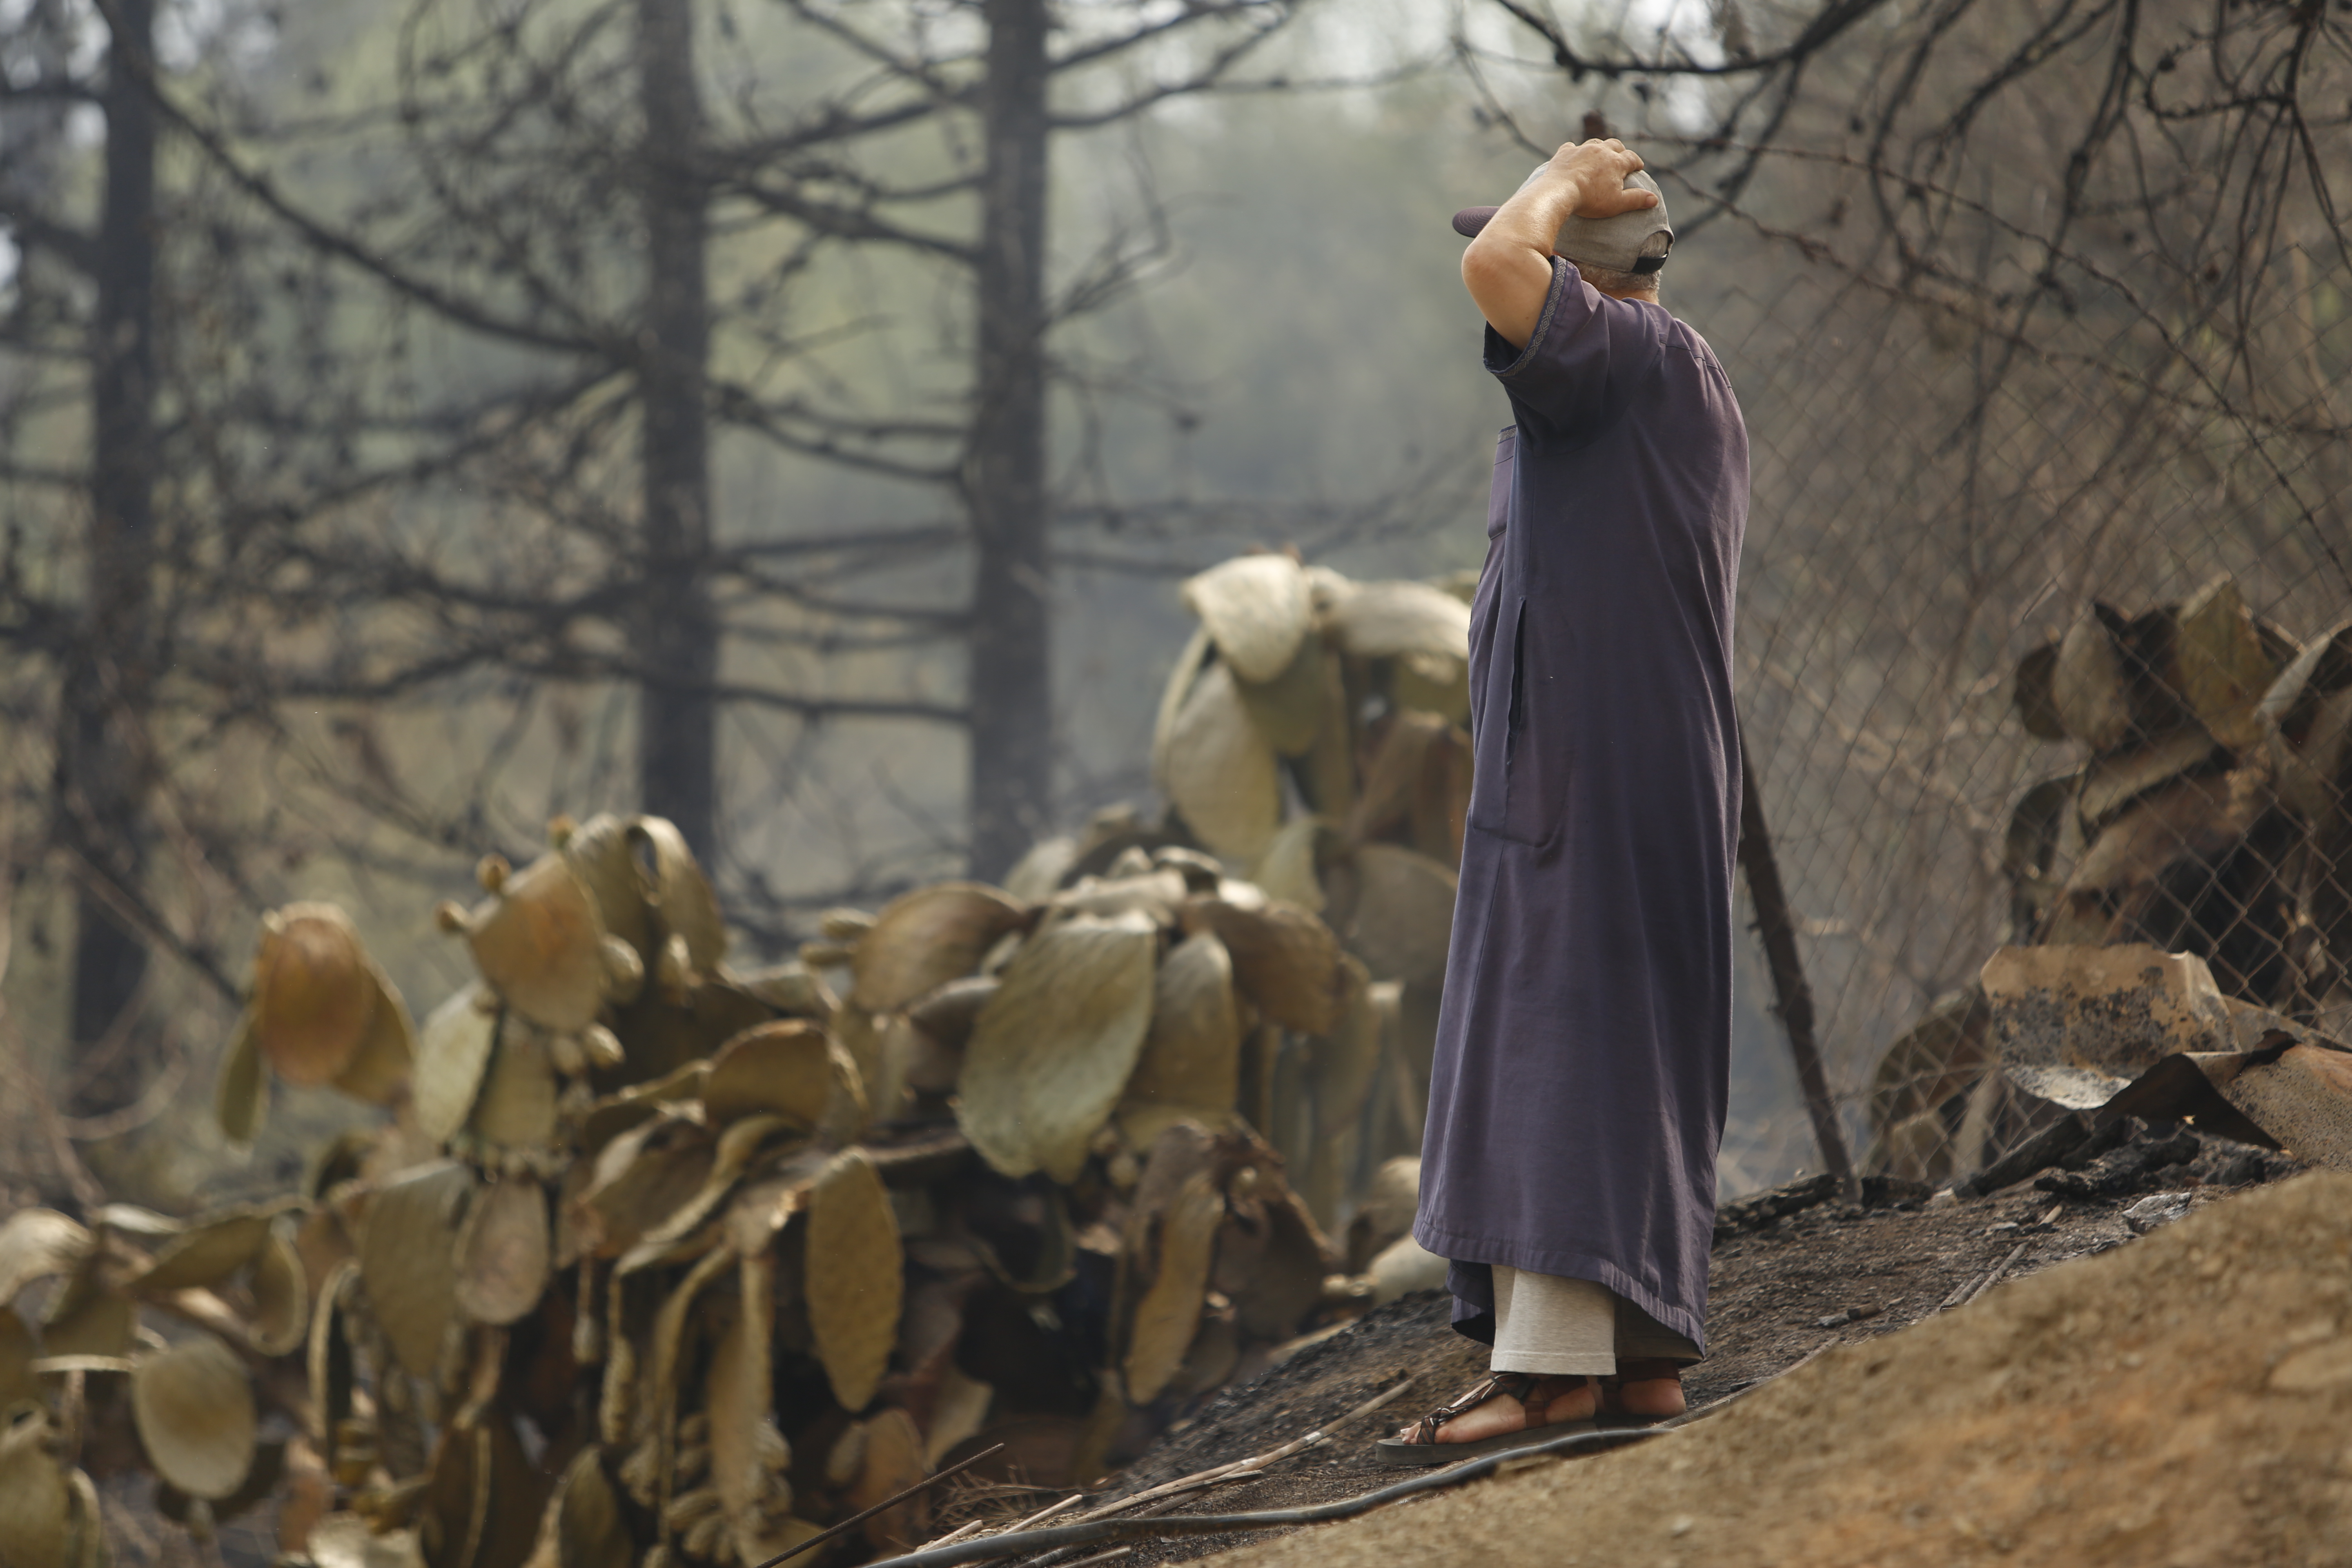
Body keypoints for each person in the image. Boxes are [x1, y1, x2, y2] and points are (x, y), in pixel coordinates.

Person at [1377, 138, 1750, 1463]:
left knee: (1557, 1027)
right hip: (1621, 756)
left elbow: (1496, 261)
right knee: (1615, 1027)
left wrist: (1560, 173)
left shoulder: (1622, 359)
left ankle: (1546, 1376)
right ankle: (1638, 1353)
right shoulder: (1649, 381)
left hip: (1588, 766)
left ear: (1585, 283)